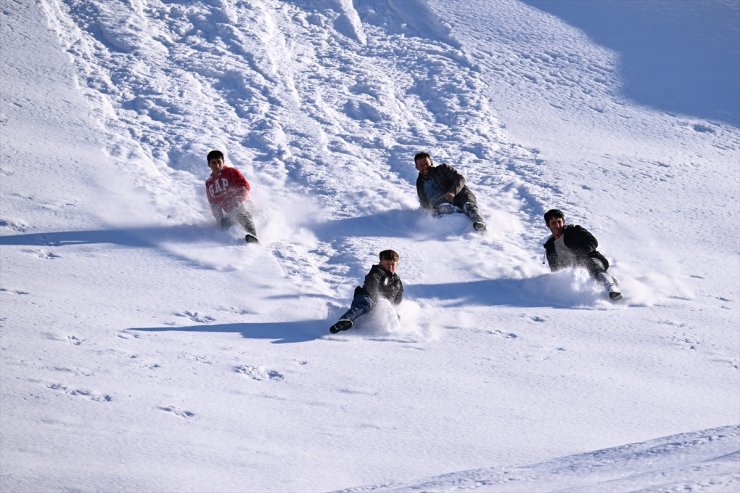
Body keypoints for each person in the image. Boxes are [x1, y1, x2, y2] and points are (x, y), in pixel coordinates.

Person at [542, 209, 622, 300]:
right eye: (553, 223)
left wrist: (581, 253)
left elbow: (593, 241)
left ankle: (612, 289)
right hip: (576, 272)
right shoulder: (550, 246)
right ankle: (612, 283)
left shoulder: (574, 231)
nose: (557, 225)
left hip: (591, 260)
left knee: (592, 264)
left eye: (559, 221)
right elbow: (555, 269)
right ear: (548, 225)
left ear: (563, 221)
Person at [330, 250, 404, 334]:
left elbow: (398, 298)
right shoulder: (376, 272)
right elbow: (372, 286)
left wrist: (388, 306)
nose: (390, 267)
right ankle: (345, 320)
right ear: (381, 263)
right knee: (366, 302)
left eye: (393, 264)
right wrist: (379, 301)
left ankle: (387, 332)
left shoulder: (397, 281)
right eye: (387, 264)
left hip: (378, 308)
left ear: (397, 264)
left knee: (395, 316)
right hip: (365, 297)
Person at [414, 152, 486, 232]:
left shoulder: (442, 169)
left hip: (460, 196)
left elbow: (460, 179)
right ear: (417, 167)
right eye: (421, 165)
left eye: (426, 163)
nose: (425, 167)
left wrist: (453, 192)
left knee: (468, 206)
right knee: (445, 209)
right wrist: (427, 212)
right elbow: (424, 201)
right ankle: (461, 220)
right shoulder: (420, 183)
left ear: (431, 161)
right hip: (442, 206)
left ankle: (479, 224)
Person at [204, 150, 258, 244]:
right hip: (231, 213)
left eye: (219, 162)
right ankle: (232, 244)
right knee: (224, 223)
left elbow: (245, 187)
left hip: (245, 205)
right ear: (209, 164)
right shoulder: (209, 183)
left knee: (241, 212)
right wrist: (219, 219)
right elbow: (213, 204)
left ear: (223, 162)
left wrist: (240, 199)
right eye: (213, 162)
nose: (216, 165)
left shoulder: (231, 172)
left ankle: (253, 237)